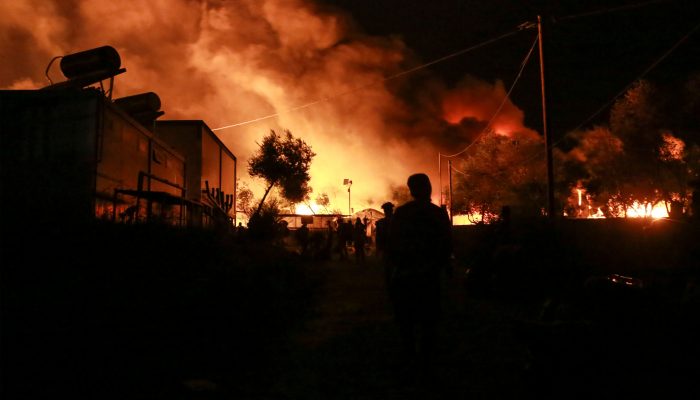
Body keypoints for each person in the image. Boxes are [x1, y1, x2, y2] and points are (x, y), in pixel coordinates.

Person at [387, 173, 452, 371]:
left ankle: (410, 355)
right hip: (429, 275)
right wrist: (445, 267)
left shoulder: (402, 213)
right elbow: (446, 244)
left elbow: (393, 245)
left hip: (405, 274)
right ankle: (425, 359)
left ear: (411, 190)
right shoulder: (437, 214)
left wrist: (392, 271)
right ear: (428, 188)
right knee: (428, 320)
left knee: (406, 320)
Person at [375, 202, 395, 286]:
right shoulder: (398, 221)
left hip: (388, 248)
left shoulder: (380, 223)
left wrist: (378, 248)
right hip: (394, 248)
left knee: (388, 267)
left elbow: (378, 237)